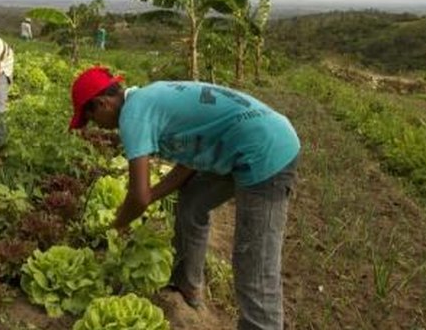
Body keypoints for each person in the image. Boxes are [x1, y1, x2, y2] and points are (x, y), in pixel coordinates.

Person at [69, 67, 300, 330]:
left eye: (90, 118)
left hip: (266, 152)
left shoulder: (132, 116)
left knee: (254, 266)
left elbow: (138, 196)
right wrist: (151, 196)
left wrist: (117, 224)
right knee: (192, 201)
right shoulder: (147, 98)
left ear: (102, 103)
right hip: (247, 139)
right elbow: (189, 164)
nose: (96, 126)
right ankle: (187, 284)